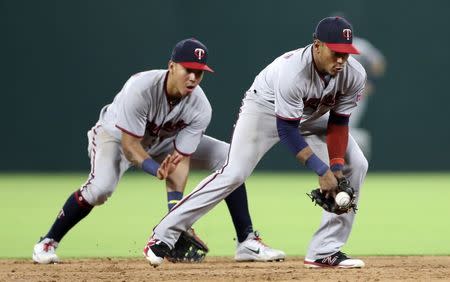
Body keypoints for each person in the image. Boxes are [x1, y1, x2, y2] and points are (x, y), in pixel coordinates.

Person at [32, 38, 285, 264]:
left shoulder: (200, 107)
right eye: (189, 70)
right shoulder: (140, 88)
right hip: (116, 137)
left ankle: (246, 241)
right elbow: (132, 147)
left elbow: (180, 158)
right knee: (101, 188)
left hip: (162, 141)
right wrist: (154, 169)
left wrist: (175, 214)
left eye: (200, 73)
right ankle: (47, 242)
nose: (194, 78)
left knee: (228, 157)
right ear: (172, 66)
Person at [143, 17, 368, 269]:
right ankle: (162, 236)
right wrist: (321, 169)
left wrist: (336, 168)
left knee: (356, 163)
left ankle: (325, 251)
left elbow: (338, 123)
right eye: (336, 52)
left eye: (346, 54)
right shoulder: (293, 72)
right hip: (264, 111)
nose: (341, 60)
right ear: (317, 46)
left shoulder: (354, 74)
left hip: (311, 116)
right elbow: (287, 130)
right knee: (234, 173)